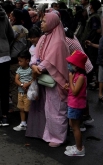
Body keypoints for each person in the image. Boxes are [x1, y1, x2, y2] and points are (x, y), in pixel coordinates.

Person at [26, 12, 70, 147]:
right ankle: (49, 134)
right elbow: (35, 53)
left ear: (51, 23)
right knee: (48, 108)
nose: (42, 24)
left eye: (44, 21)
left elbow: (51, 61)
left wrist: (37, 67)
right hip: (45, 77)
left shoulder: (59, 41)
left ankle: (58, 137)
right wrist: (33, 65)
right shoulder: (45, 37)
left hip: (56, 80)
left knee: (56, 109)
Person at [64, 50, 88, 157]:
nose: (69, 65)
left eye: (71, 64)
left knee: (75, 127)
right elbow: (73, 89)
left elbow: (75, 91)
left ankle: (79, 149)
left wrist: (70, 80)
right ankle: (77, 145)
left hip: (76, 105)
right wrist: (68, 86)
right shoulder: (76, 75)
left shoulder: (81, 77)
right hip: (72, 103)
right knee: (72, 125)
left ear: (77, 65)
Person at [13, 50, 34, 131]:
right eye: (18, 61)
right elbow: (16, 79)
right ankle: (23, 123)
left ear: (27, 61)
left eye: (21, 61)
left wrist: (27, 84)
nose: (19, 63)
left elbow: (33, 79)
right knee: (21, 108)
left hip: (28, 93)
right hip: (20, 92)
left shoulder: (31, 69)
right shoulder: (19, 69)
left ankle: (30, 123)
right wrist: (22, 85)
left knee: (27, 109)